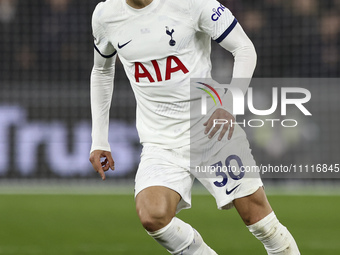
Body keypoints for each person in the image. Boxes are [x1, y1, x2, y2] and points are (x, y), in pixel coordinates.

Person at [89, 0, 301, 254]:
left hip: (211, 131)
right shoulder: (106, 15)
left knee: (259, 220)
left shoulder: (190, 3)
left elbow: (244, 48)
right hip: (160, 142)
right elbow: (101, 71)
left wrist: (230, 105)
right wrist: (99, 140)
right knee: (152, 216)